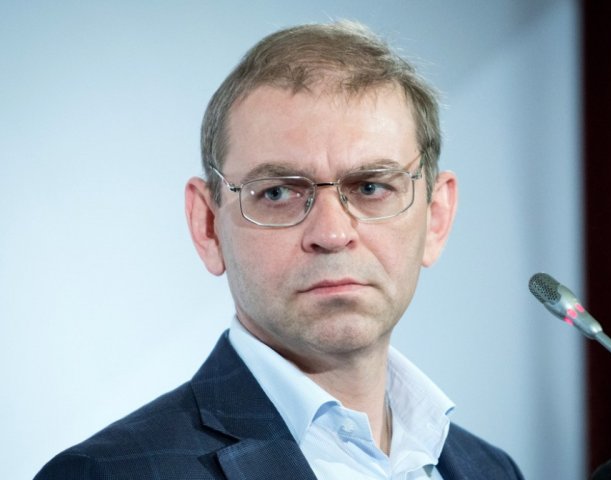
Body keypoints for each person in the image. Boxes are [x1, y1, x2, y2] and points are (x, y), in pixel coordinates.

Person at [35, 21, 524, 479]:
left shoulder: (493, 469)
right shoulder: (106, 473)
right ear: (208, 226)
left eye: (371, 187)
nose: (332, 233)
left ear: (436, 217)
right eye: (277, 193)